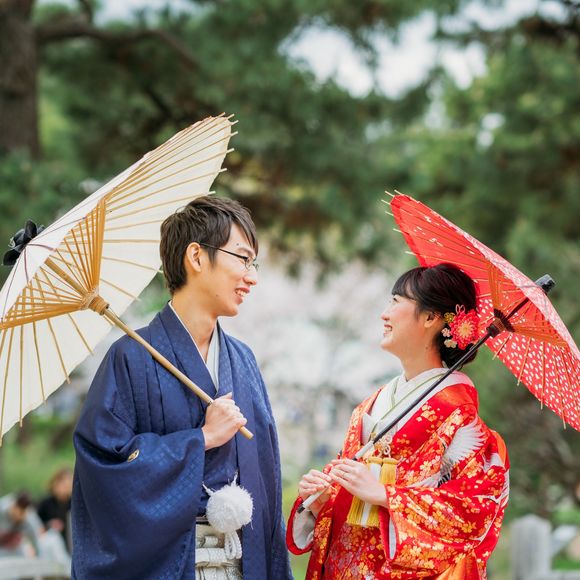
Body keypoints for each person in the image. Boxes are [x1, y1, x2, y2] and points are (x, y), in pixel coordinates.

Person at [72, 196, 292, 579]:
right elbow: (103, 466)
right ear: (196, 257)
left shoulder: (243, 360)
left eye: (252, 263)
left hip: (242, 562)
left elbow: (266, 478)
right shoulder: (130, 357)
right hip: (170, 566)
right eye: (242, 259)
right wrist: (200, 439)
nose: (252, 277)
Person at [287, 263, 509, 579]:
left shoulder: (458, 414)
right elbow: (349, 501)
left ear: (431, 318)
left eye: (395, 301)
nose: (384, 314)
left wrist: (386, 495)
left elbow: (472, 512)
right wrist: (322, 499)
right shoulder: (370, 404)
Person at [37, 467, 73, 550]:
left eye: (68, 485)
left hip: (69, 545)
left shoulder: (73, 504)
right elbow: (36, 523)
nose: (66, 488)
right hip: (49, 544)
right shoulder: (46, 503)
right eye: (63, 484)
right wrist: (49, 525)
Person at [0, 491, 42, 557]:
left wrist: (37, 555)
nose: (22, 516)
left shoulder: (29, 519)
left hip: (16, 549)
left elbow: (36, 542)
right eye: (21, 512)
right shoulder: (2, 509)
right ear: (14, 506)